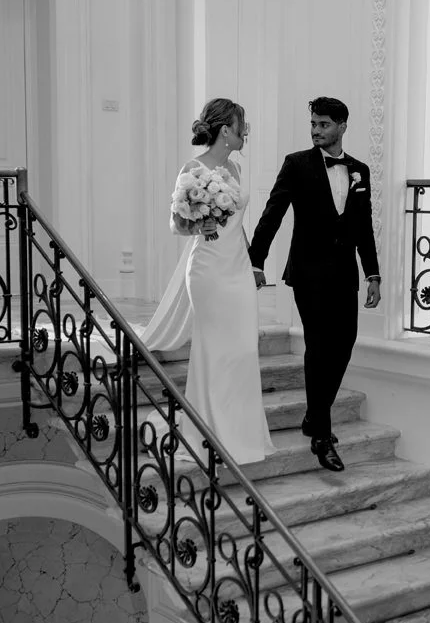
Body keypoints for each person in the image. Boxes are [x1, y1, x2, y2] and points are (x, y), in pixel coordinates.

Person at [248, 97, 381, 472]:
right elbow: (273, 213)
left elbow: (363, 227)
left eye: (324, 124)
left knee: (345, 343)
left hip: (345, 273)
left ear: (342, 126)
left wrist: (372, 273)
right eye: (313, 124)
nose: (316, 130)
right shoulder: (297, 164)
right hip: (307, 272)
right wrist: (256, 260)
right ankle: (322, 435)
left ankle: (314, 413)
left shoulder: (359, 171)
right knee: (319, 346)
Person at [139, 98, 275, 465]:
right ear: (226, 130)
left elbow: (238, 225)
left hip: (237, 268)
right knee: (214, 349)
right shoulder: (193, 169)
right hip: (208, 270)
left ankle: (242, 433)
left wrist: (253, 264)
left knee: (244, 348)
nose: (246, 132)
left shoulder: (235, 168)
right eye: (241, 126)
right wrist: (200, 224)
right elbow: (176, 225)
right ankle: (210, 433)